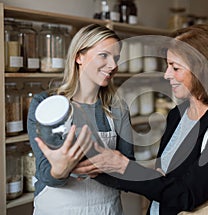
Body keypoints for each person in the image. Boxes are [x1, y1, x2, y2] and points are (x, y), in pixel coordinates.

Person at [71, 24, 208, 215]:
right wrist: (98, 168)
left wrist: (125, 167)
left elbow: (186, 195)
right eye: (167, 65)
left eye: (175, 67)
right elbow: (160, 182)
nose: (166, 75)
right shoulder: (177, 114)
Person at [27, 23, 134, 215]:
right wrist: (60, 170)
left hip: (106, 209)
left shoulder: (117, 108)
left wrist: (97, 170)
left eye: (116, 58)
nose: (113, 65)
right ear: (79, 57)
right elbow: (45, 173)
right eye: (104, 55)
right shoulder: (46, 104)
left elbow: (128, 172)